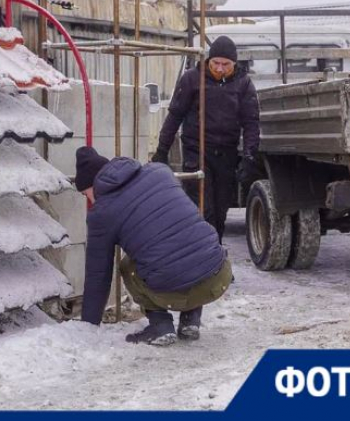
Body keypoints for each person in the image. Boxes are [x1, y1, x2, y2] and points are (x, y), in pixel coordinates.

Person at [76, 146, 232, 346]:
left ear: (91, 185)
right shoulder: (160, 172)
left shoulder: (102, 213)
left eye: (84, 194)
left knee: (128, 265)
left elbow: (99, 274)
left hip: (172, 290)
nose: (88, 199)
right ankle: (190, 320)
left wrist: (89, 325)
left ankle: (160, 325)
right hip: (218, 276)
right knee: (186, 242)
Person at [152, 35, 261, 242]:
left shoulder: (244, 84)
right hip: (197, 152)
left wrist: (249, 156)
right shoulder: (192, 79)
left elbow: (251, 123)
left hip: (226, 154)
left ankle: (214, 250)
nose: (220, 69)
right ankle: (203, 253)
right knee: (203, 209)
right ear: (208, 61)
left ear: (234, 64)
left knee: (220, 211)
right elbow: (175, 115)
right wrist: (162, 150)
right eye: (215, 63)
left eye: (225, 64)